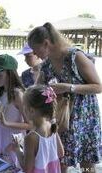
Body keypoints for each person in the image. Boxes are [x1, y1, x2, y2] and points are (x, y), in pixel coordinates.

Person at [28, 22, 102, 173]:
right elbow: (37, 89)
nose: (34, 55)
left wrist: (69, 87)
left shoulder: (76, 57)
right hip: (61, 119)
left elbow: (98, 86)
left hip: (84, 118)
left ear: (46, 44)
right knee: (61, 161)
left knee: (87, 164)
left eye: (35, 50)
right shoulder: (47, 64)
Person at [0, 54, 31, 166]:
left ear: (9, 74)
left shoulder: (18, 94)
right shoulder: (0, 91)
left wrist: (6, 123)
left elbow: (30, 124)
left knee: (11, 166)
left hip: (12, 140)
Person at [9, 85, 64, 172]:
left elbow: (27, 169)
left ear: (31, 110)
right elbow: (61, 153)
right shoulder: (52, 126)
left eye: (24, 106)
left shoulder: (31, 138)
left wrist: (17, 150)